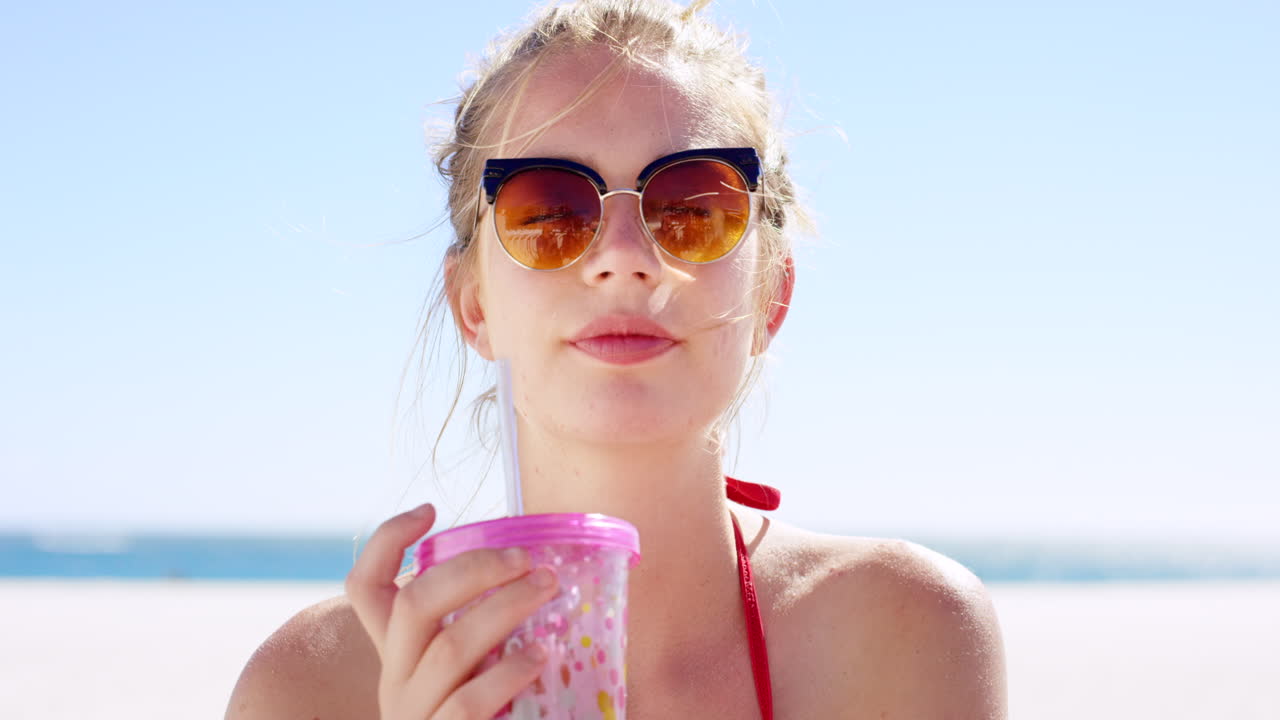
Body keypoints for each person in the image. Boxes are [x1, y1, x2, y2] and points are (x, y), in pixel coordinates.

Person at [227, 1, 1007, 718]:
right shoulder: (311, 688)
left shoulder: (903, 635)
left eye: (693, 207)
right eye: (549, 211)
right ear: (475, 306)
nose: (624, 256)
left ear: (770, 295)